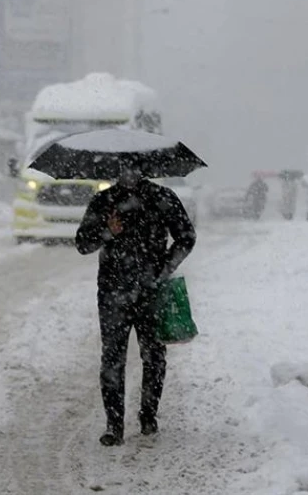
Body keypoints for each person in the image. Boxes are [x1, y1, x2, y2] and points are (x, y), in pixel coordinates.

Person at [75, 165, 196, 446]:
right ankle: (114, 426)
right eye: (123, 168)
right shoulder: (104, 201)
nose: (128, 173)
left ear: (143, 169)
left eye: (133, 168)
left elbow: (186, 237)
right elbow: (82, 243)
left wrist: (163, 269)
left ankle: (148, 415)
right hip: (112, 293)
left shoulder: (161, 197)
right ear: (116, 169)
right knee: (112, 359)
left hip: (152, 293)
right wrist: (107, 231)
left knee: (153, 357)